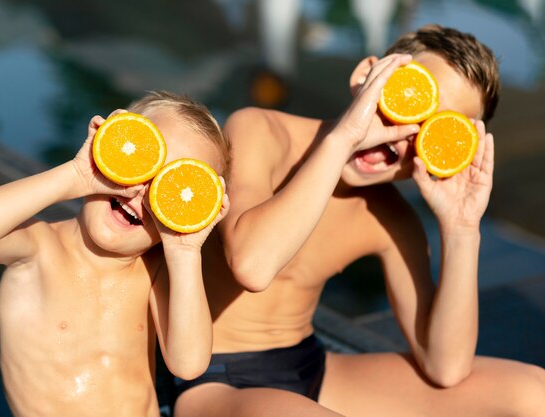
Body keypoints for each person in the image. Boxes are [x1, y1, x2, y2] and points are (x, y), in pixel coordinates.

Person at [173, 25, 545, 417]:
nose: (401, 134)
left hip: (309, 367)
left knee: (534, 391)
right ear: (365, 76)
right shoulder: (261, 131)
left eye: (435, 133)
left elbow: (446, 366)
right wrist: (346, 137)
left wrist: (462, 228)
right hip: (211, 378)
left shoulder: (388, 217)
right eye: (405, 101)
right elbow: (251, 265)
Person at [0, 91, 230, 417]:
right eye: (138, 165)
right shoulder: (38, 248)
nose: (140, 194)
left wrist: (184, 250)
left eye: (167, 190)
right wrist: (78, 175)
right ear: (104, 146)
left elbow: (189, 363)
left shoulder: (152, 271)